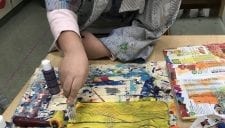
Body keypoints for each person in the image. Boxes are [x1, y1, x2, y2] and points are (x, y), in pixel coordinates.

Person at [45, 0, 181, 103]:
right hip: (77, 34)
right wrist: (73, 49)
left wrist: (104, 47)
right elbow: (60, 4)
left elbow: (152, 25)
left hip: (132, 39)